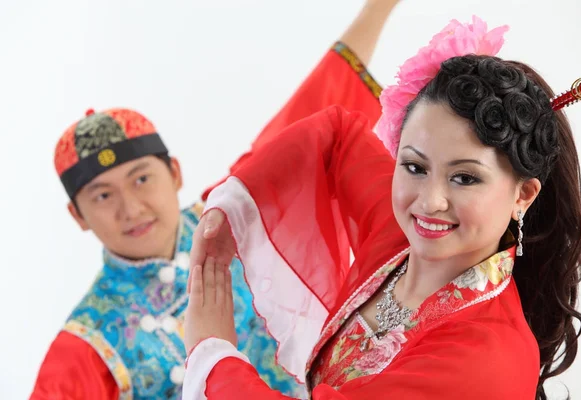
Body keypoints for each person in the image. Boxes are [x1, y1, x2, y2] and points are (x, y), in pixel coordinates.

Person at [182, 16, 581, 400]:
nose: (429, 202)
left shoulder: (487, 357)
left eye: (465, 177)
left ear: (522, 194)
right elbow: (338, 132)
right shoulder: (399, 238)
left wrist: (211, 353)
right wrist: (230, 209)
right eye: (415, 166)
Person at [29, 1, 403, 399]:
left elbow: (319, 101)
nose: (131, 207)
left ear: (174, 172)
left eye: (141, 179)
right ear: (78, 215)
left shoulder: (235, 215)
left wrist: (378, 7)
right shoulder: (84, 345)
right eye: (102, 195)